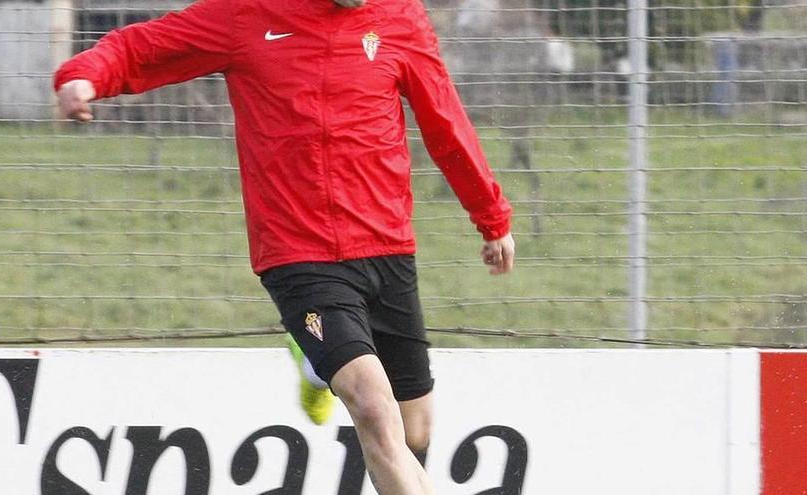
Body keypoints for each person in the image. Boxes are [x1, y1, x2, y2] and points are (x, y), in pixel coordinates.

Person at [54, 0, 515, 492]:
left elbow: (444, 120)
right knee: (374, 406)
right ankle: (321, 354)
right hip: (298, 254)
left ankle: (314, 364)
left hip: (386, 247)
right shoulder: (247, 14)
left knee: (415, 431)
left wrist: (491, 217)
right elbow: (142, 48)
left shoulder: (400, 17)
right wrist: (85, 76)